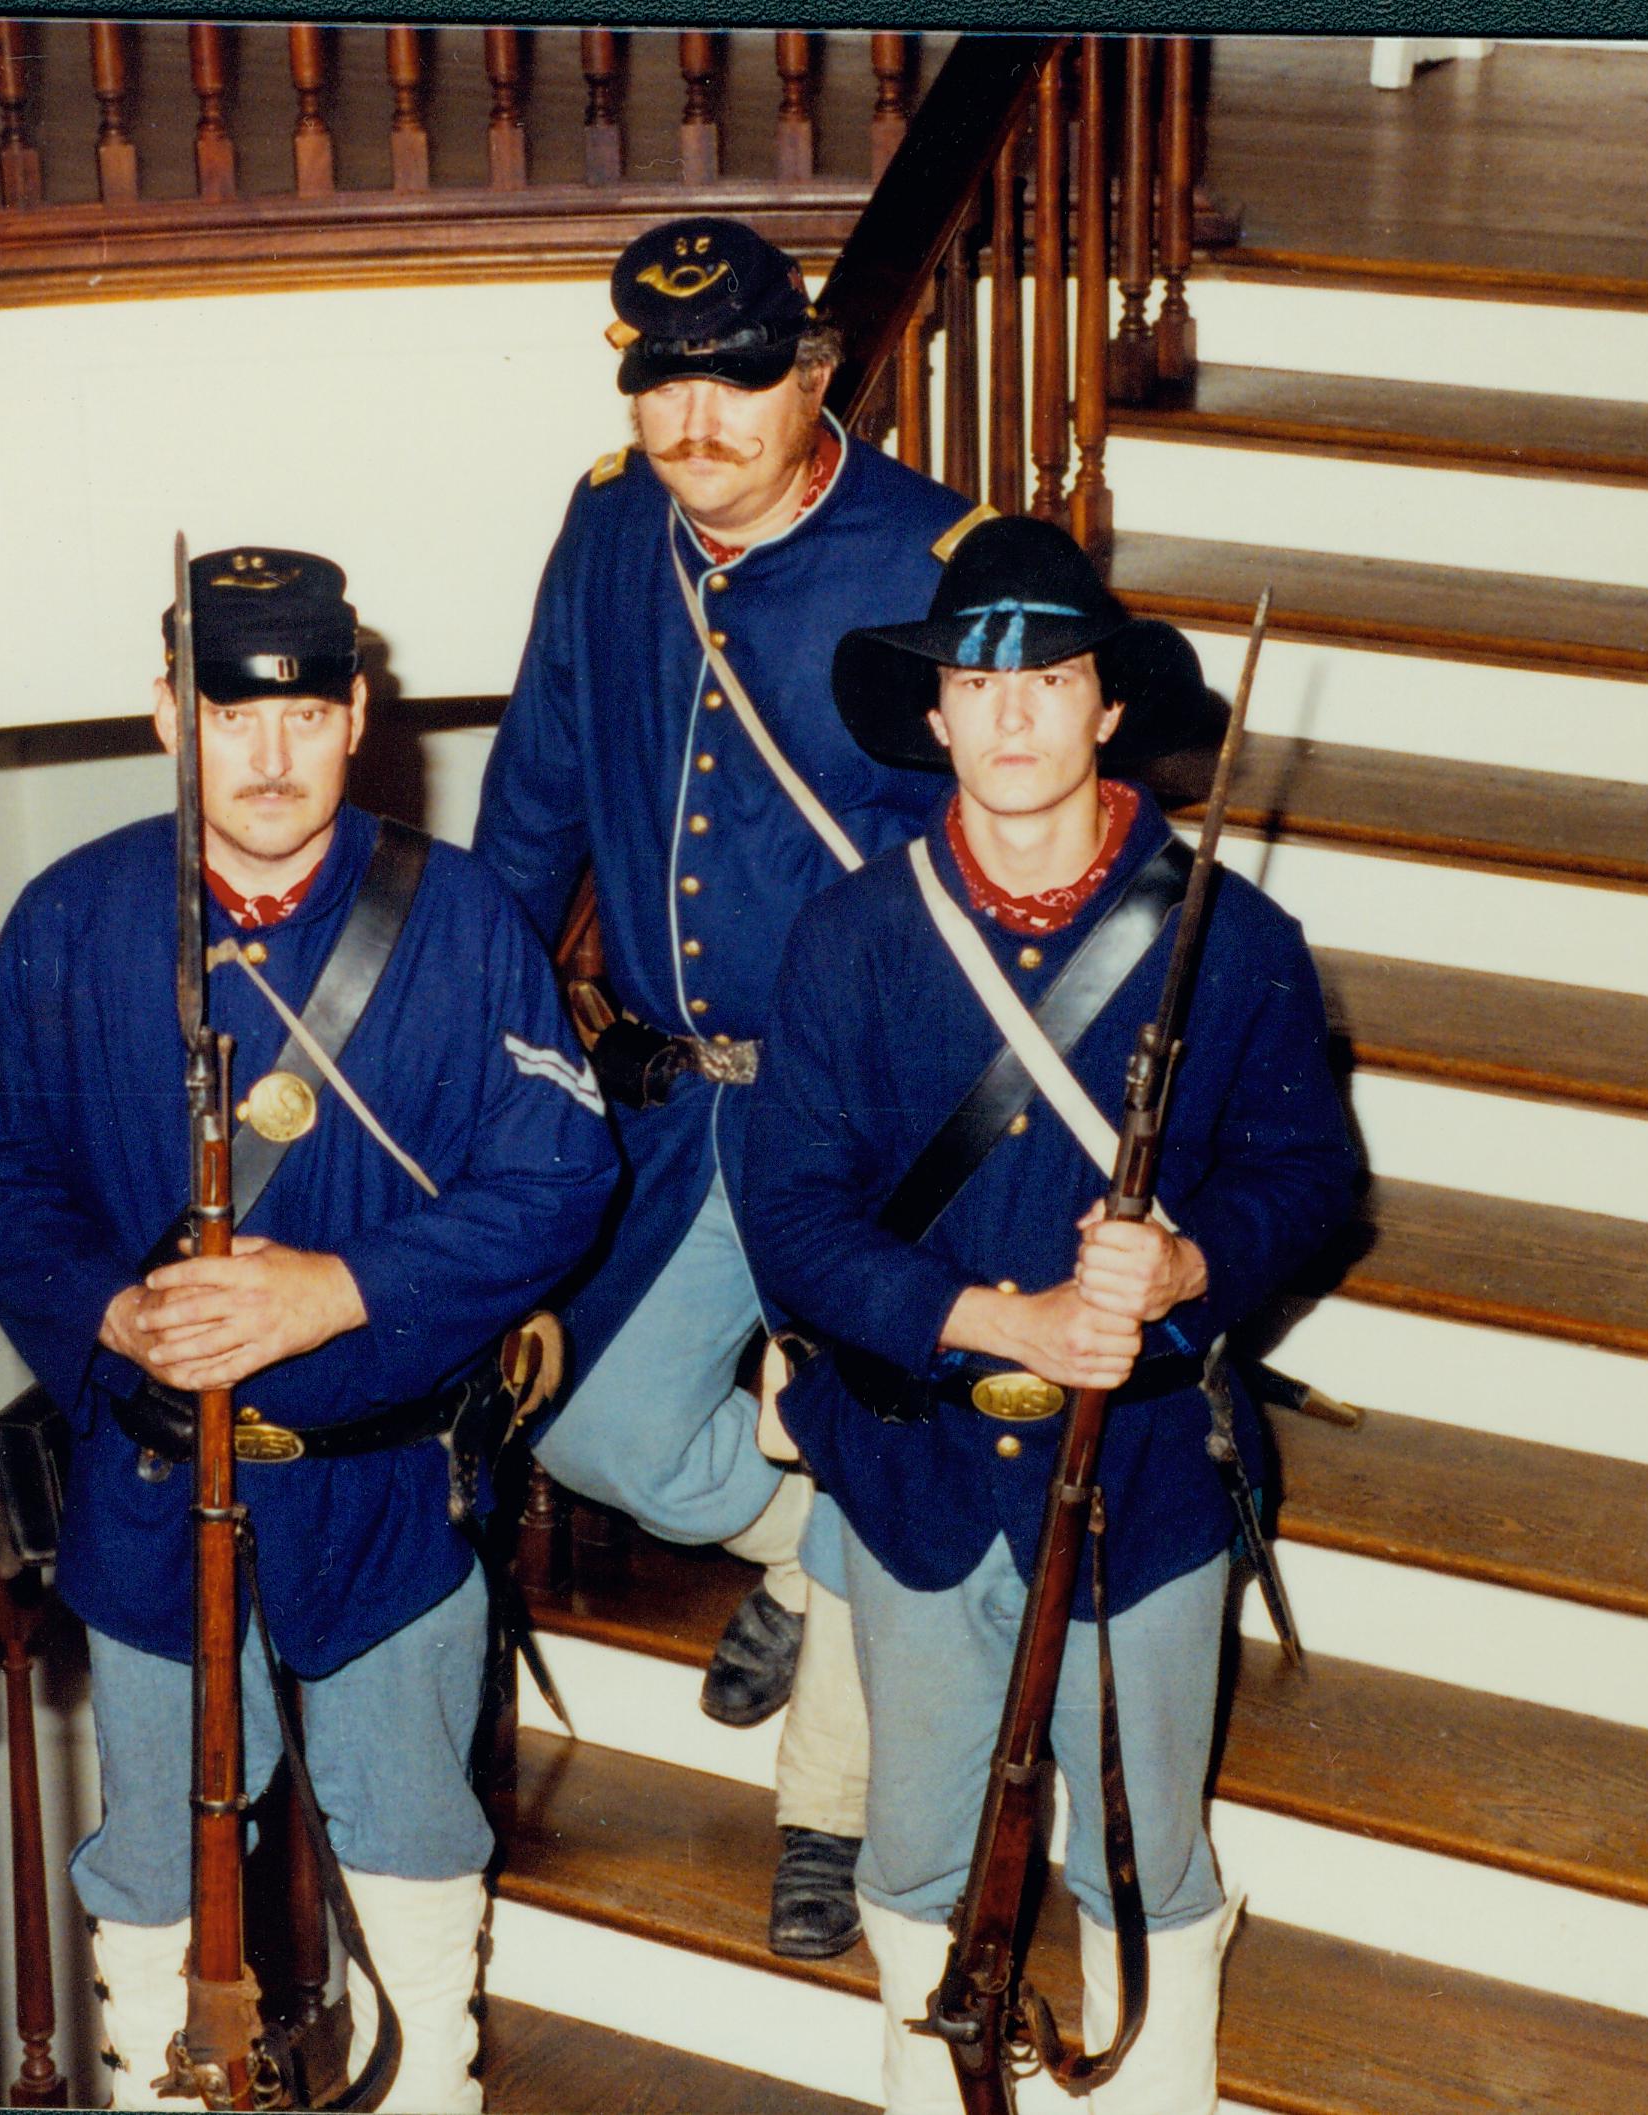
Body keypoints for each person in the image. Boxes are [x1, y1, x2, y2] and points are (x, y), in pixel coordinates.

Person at [0, 548, 617, 2111]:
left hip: (380, 1478)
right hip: (156, 1478)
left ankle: (430, 2085)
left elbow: (561, 1172)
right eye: (232, 717)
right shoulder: (70, 917)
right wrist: (107, 1311)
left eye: (306, 713)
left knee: (409, 1826)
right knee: (160, 1834)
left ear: (359, 714)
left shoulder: (454, 917)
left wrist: (341, 1290)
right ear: (168, 714)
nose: (271, 758)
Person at [736, 518, 1361, 2113]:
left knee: (1143, 1846)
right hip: (916, 1470)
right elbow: (793, 1223)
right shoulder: (849, 940)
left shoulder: (1238, 943)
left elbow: (1307, 1180)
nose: (1011, 717)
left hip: (1142, 1476)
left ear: (1104, 710)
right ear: (933, 715)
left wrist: (1188, 1266)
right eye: (976, 682)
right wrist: (992, 1322)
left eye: (1052, 680)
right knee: (918, 1849)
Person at [472, 214, 990, 1957]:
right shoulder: (612, 521)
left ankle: (830, 1818)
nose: (694, 421)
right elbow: (539, 784)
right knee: (601, 1425)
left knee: (877, 1431)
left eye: (736, 379)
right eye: (662, 381)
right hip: (680, 1099)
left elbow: (1003, 863)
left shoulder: (933, 560)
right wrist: (481, 1027)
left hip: (872, 1117)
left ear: (816, 373)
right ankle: (806, 1544)